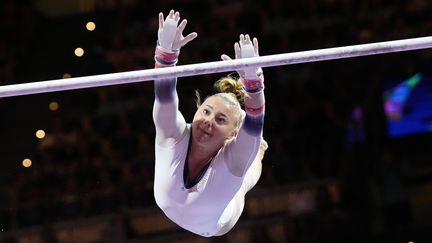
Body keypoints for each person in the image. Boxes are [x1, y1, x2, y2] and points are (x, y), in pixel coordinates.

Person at [152, 10, 267, 237]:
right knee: (247, 158)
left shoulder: (231, 160)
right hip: (196, 198)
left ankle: (258, 147)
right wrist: (165, 55)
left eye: (220, 120)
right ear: (196, 110)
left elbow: (254, 124)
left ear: (232, 134)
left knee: (248, 165)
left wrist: (254, 87)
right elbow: (164, 96)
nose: (208, 121)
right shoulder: (174, 134)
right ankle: (257, 146)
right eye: (206, 111)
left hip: (218, 222)